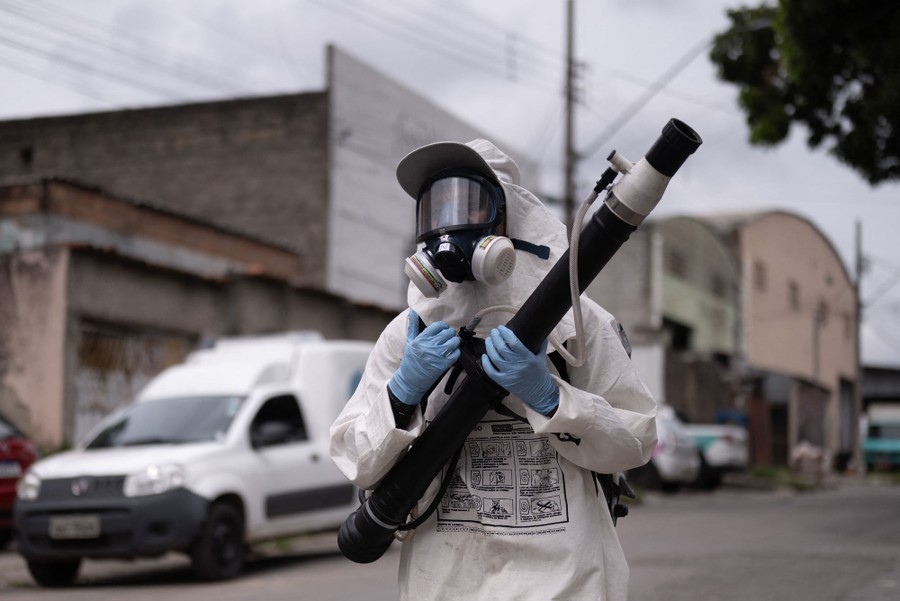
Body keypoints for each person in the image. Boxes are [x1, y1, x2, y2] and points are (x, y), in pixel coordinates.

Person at [329, 139, 657, 601]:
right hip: (445, 583)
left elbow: (637, 439)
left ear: (509, 217)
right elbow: (356, 459)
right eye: (436, 208)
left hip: (564, 584)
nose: (449, 224)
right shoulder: (408, 335)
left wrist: (552, 399)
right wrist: (401, 394)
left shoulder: (577, 324)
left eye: (468, 202)